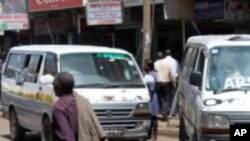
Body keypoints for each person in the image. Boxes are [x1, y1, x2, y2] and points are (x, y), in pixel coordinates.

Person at [52, 72, 107, 141]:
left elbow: (66, 136)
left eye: (53, 85)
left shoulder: (59, 107)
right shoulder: (84, 101)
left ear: (59, 87)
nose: (53, 87)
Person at [154, 51, 175, 121]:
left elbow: (155, 73)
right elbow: (171, 73)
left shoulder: (155, 63)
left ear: (157, 57)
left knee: (160, 98)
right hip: (166, 82)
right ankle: (164, 110)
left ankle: (162, 110)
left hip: (158, 82)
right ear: (163, 56)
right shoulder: (167, 63)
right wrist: (173, 82)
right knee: (166, 98)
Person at [144, 60, 160, 141]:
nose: (144, 66)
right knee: (149, 117)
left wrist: (148, 99)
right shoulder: (150, 74)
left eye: (145, 65)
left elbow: (152, 89)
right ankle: (149, 134)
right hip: (150, 96)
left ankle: (155, 135)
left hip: (152, 98)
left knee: (153, 117)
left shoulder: (152, 75)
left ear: (148, 66)